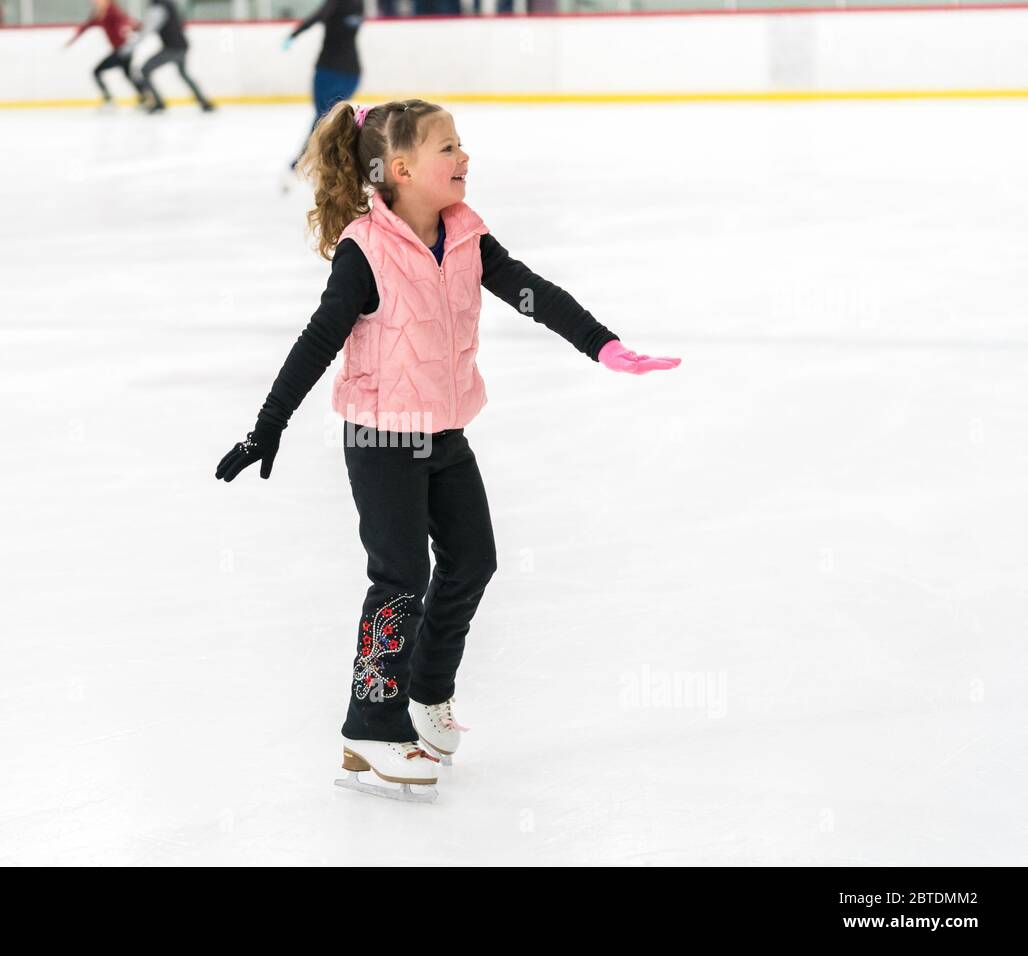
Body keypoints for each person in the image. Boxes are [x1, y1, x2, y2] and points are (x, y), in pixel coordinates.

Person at [215, 99, 682, 801]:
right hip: (379, 435)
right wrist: (268, 423)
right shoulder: (365, 250)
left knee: (473, 560)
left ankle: (426, 696)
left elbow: (531, 292)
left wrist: (603, 346)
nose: (464, 158)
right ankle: (370, 725)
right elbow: (318, 341)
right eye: (447, 148)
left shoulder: (465, 236)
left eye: (461, 145)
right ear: (400, 170)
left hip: (443, 429)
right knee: (400, 575)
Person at [283, 0, 363, 174]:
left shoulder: (337, 3)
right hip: (352, 73)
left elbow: (319, 16)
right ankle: (334, 156)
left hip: (329, 71)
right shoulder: (359, 5)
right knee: (331, 116)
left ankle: (310, 157)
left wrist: (294, 34)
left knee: (323, 117)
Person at [133, 0, 215, 113]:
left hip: (172, 48)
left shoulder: (158, 7)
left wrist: (132, 43)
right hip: (181, 45)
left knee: (145, 69)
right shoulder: (169, 4)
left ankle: (159, 103)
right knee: (184, 74)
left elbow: (149, 28)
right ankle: (204, 102)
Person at [66, 0, 144, 108]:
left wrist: (132, 26)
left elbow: (125, 21)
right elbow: (88, 25)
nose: (94, 2)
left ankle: (109, 100)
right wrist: (73, 39)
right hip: (119, 49)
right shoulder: (98, 13)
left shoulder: (113, 10)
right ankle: (144, 98)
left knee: (97, 71)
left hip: (122, 50)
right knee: (128, 74)